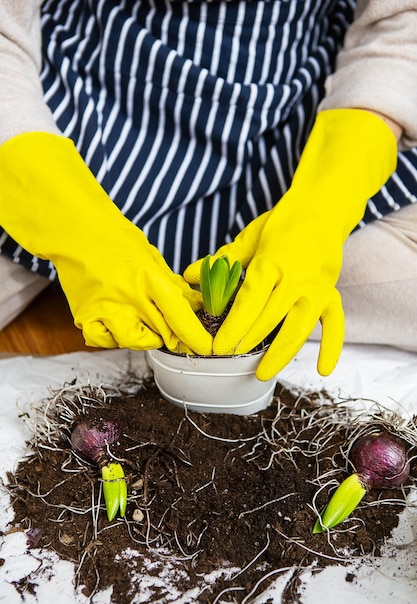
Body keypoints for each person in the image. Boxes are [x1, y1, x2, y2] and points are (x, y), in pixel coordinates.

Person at [0, 0, 416, 380]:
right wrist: (78, 234)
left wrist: (322, 215)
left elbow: (401, 24)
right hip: (79, 119)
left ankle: (282, 275)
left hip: (295, 128)